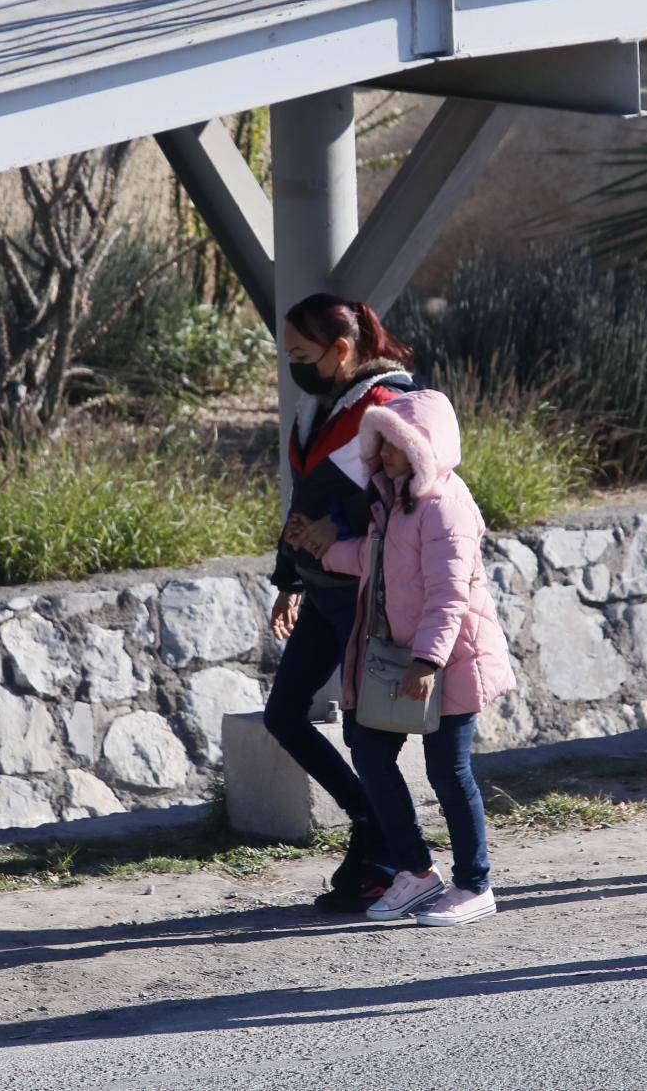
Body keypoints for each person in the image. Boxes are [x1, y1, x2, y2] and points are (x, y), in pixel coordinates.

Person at [289, 389, 516, 926]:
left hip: (449, 663)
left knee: (448, 770)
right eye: (381, 443)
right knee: (369, 751)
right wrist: (319, 548)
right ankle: (415, 872)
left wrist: (428, 662)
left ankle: (474, 884)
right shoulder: (392, 501)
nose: (383, 454)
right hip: (397, 659)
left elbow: (449, 594)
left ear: (423, 449)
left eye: (395, 444)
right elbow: (376, 562)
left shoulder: (445, 506)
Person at [267, 295, 417, 913]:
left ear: (343, 350)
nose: (293, 365)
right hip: (322, 590)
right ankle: (369, 823)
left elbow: (404, 491)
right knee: (284, 714)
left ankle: (389, 858)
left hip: (363, 593)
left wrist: (339, 532)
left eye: (302, 354)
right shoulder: (320, 406)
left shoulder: (388, 405)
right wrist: (289, 578)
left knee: (366, 733)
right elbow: (308, 496)